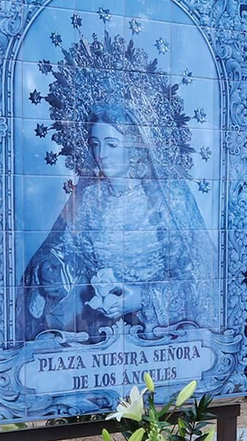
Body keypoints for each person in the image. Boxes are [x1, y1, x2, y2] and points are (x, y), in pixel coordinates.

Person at [18, 36, 218, 340]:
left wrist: (143, 297)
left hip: (160, 333)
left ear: (135, 146)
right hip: (98, 330)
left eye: (112, 144)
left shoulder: (168, 198)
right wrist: (51, 267)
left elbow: (199, 277)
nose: (101, 154)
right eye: (95, 144)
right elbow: (69, 251)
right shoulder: (91, 198)